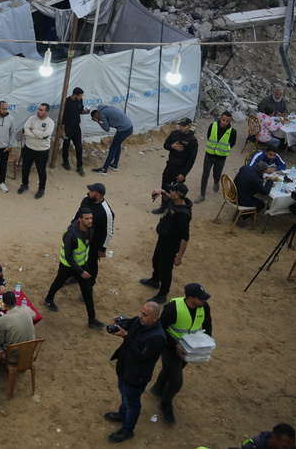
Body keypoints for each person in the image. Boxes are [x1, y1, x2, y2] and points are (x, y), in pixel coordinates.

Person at [104, 300, 166, 443]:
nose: (140, 316)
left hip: (136, 376)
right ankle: (121, 414)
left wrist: (126, 337)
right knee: (124, 394)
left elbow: (141, 357)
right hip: (125, 369)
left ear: (155, 318)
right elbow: (131, 323)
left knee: (132, 403)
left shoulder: (157, 338)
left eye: (144, 314)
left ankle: (127, 430)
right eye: (141, 312)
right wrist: (121, 324)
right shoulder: (141, 322)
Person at [152, 283, 212, 424]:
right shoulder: (173, 309)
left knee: (172, 371)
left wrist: (206, 341)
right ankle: (165, 405)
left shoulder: (204, 306)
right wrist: (175, 345)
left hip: (190, 348)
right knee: (176, 381)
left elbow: (208, 323)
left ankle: (158, 388)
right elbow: (160, 328)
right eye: (200, 298)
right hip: (170, 347)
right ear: (190, 298)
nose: (204, 301)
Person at [42, 209, 104, 329]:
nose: (90, 221)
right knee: (58, 283)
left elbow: (88, 245)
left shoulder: (90, 228)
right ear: (80, 219)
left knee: (87, 292)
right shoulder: (70, 235)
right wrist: (81, 272)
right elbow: (68, 257)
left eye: (91, 218)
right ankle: (49, 299)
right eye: (87, 218)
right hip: (67, 267)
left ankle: (92, 319)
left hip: (82, 265)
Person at [139, 183, 193, 303]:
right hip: (163, 238)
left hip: (170, 244)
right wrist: (162, 192)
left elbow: (185, 238)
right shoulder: (175, 201)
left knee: (165, 270)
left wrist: (179, 257)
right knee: (156, 260)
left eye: (172, 191)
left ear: (178, 195)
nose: (170, 191)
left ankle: (163, 294)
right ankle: (154, 280)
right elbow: (168, 198)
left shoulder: (183, 215)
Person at [153, 119, 198, 214]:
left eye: (184, 126)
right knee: (165, 187)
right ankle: (163, 206)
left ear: (189, 127)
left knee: (177, 192)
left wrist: (183, 174)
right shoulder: (175, 134)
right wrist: (172, 147)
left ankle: (175, 209)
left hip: (180, 170)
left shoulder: (192, 141)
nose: (181, 127)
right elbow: (165, 145)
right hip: (170, 166)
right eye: (180, 125)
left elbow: (191, 160)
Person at [198, 112, 237, 203]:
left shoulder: (232, 132)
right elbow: (209, 136)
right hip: (209, 155)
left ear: (229, 122)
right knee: (205, 174)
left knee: (217, 174)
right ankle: (202, 194)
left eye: (227, 121)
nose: (224, 123)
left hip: (221, 158)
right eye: (223, 120)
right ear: (220, 118)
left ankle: (216, 181)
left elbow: (232, 144)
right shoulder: (213, 126)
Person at [17, 102, 54, 199]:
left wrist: (33, 130)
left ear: (46, 112)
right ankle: (24, 184)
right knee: (25, 168)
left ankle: (41, 189)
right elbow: (25, 130)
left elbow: (45, 135)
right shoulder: (31, 118)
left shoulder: (50, 123)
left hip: (42, 151)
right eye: (38, 109)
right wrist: (38, 134)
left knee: (41, 171)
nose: (38, 111)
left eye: (41, 110)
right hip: (28, 148)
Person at [81, 183, 114, 287]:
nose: (88, 193)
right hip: (81, 236)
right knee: (78, 257)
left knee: (91, 263)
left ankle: (90, 284)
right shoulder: (86, 199)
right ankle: (77, 275)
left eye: (91, 191)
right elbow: (78, 212)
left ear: (98, 195)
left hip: (94, 242)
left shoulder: (107, 212)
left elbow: (109, 232)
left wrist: (102, 249)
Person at [91, 105, 134, 175]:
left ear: (96, 115)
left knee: (113, 148)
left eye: (97, 118)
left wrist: (97, 122)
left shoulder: (102, 114)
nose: (100, 119)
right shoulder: (106, 108)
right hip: (129, 127)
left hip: (123, 130)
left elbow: (106, 129)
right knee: (117, 145)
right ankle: (115, 165)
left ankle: (104, 169)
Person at [0, 291, 36, 360]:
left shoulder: (3, 319)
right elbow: (34, 315)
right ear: (16, 300)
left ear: (4, 305)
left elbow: (0, 341)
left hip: (12, 357)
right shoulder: (27, 309)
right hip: (29, 351)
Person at [61, 87, 89, 176]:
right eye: (80, 96)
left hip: (77, 128)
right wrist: (63, 131)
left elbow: (80, 111)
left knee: (79, 147)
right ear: (75, 95)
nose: (81, 98)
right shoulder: (67, 102)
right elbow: (63, 118)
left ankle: (79, 166)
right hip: (68, 129)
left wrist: (87, 112)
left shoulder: (80, 101)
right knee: (66, 145)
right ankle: (65, 162)